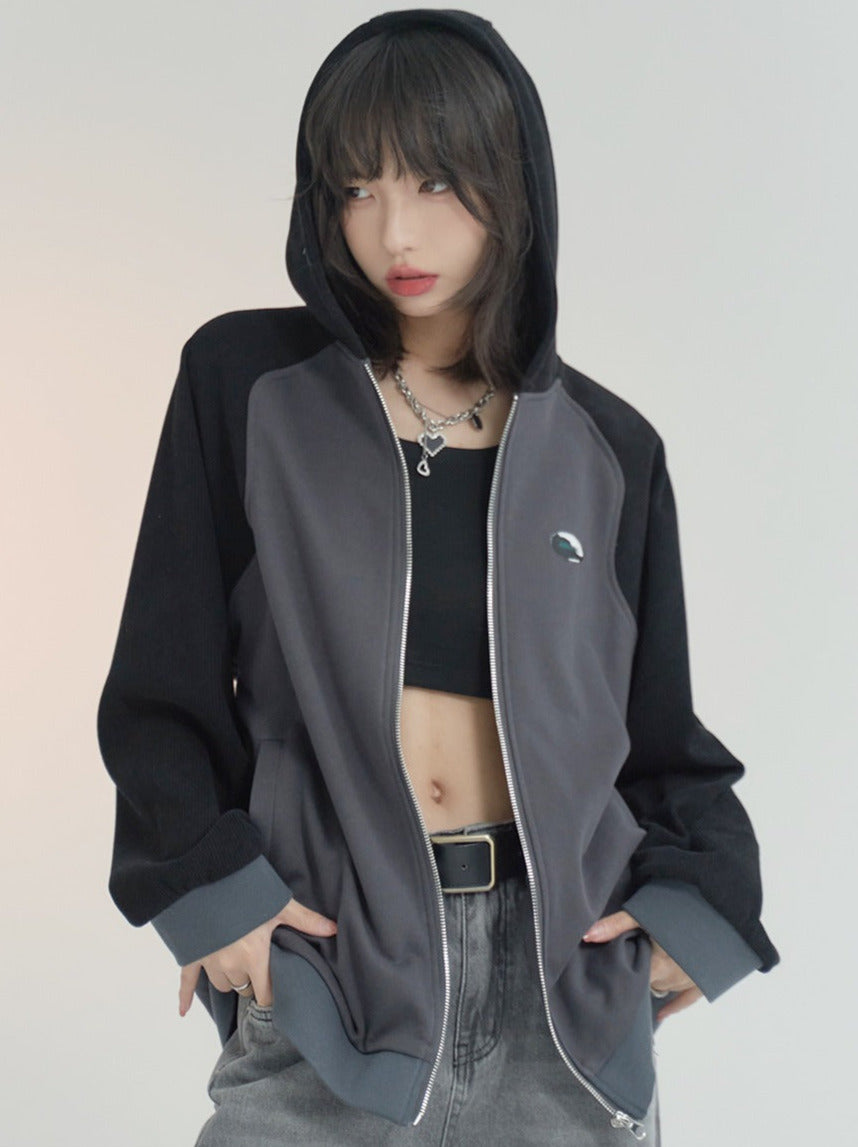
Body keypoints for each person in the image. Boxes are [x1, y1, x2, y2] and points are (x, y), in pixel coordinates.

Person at [96, 9, 779, 1145]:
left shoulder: (610, 451)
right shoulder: (248, 387)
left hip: (562, 999)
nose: (393, 231)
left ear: (514, 184)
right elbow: (160, 689)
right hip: (333, 975)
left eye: (435, 182)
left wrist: (695, 914)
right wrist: (214, 895)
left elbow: (662, 744)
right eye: (355, 188)